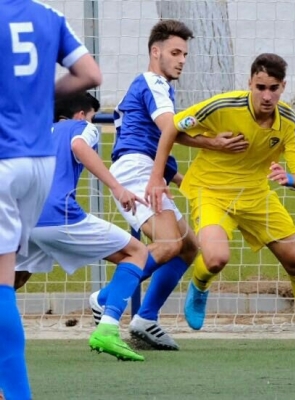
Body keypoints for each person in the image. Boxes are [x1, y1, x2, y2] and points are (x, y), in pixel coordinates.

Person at [149, 53, 295, 350]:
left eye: (273, 88)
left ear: (283, 86)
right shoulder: (223, 106)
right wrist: (203, 147)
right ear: (249, 84)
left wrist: (290, 179)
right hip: (212, 192)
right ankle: (200, 283)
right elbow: (172, 128)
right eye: (260, 87)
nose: (266, 95)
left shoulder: (290, 121)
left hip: (256, 196)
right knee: (217, 258)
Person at [91, 19, 247, 350]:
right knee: (168, 244)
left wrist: (175, 178)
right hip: (137, 170)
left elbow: (158, 135)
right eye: (175, 52)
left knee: (188, 246)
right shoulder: (153, 83)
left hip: (143, 167)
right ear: (155, 51)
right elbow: (169, 129)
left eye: (185, 55)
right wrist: (213, 143)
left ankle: (145, 319)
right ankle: (107, 301)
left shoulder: (158, 86)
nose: (181, 60)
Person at [1, 1, 101, 397]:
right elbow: (91, 73)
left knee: (2, 287)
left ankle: (19, 393)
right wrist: (38, 98)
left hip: (4, 160)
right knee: (5, 280)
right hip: (39, 162)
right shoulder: (49, 15)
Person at [15, 93, 151, 362]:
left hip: (22, 217)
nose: (92, 123)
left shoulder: (36, 132)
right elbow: (79, 146)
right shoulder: (80, 127)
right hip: (57, 215)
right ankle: (108, 328)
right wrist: (117, 187)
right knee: (136, 252)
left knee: (12, 283)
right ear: (81, 114)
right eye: (92, 117)